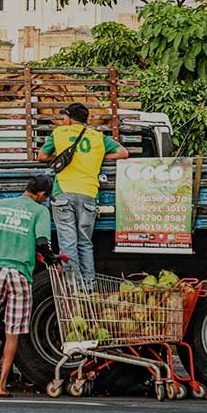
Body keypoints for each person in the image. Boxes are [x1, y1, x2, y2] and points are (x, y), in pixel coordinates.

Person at [0, 174, 57, 397]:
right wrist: (54, 261)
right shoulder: (40, 212)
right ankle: (1, 386)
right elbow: (42, 243)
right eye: (46, 197)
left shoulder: (0, 205)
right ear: (41, 195)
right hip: (19, 275)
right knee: (12, 332)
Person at [36, 102, 128, 289]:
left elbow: (41, 157)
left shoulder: (59, 133)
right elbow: (123, 153)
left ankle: (73, 286)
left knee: (68, 241)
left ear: (69, 118)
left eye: (64, 117)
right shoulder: (98, 137)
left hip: (63, 193)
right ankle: (89, 285)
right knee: (85, 242)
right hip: (88, 193)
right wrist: (98, 157)